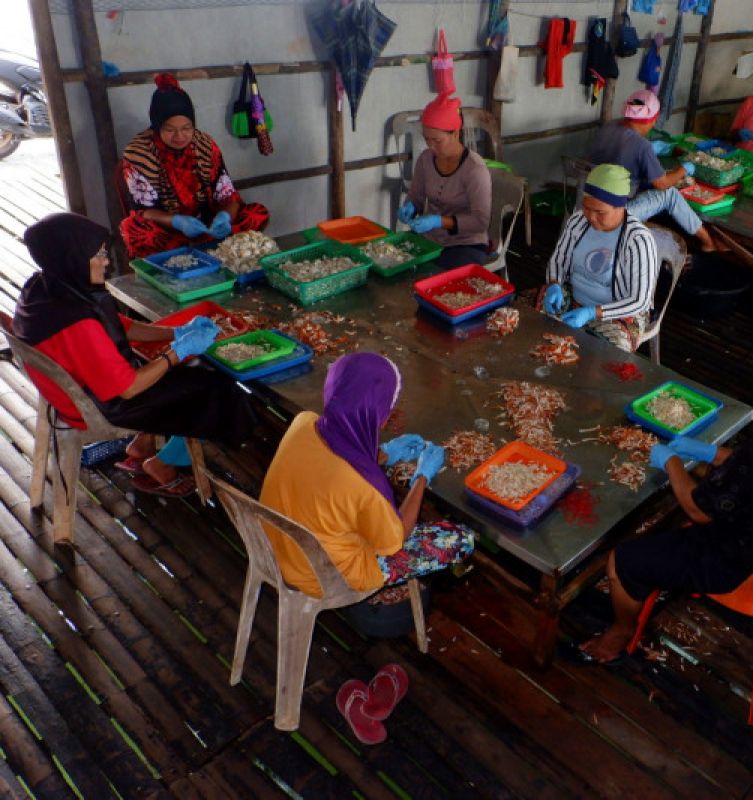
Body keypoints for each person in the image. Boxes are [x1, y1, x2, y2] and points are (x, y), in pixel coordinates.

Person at [579, 331, 753, 663]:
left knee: (623, 560)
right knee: (693, 498)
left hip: (745, 564)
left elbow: (698, 510)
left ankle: (621, 630)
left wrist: (670, 461)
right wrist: (709, 452)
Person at [13, 213, 257, 496]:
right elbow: (128, 388)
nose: (106, 261)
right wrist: (177, 352)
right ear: (74, 259)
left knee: (189, 369)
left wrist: (176, 332)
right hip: (99, 405)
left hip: (75, 387)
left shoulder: (47, 287)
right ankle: (164, 463)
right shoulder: (79, 324)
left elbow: (122, 326)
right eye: (98, 255)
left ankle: (141, 445)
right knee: (219, 388)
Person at [259, 352, 474, 603]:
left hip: (273, 548)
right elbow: (397, 538)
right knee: (460, 538)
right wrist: (422, 477)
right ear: (379, 415)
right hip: (324, 575)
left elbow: (331, 463)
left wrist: (382, 455)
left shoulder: (304, 423)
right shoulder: (363, 486)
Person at [119, 73, 269, 259]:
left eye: (186, 128)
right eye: (170, 130)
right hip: (168, 229)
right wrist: (176, 221)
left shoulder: (204, 145)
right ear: (157, 126)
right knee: (137, 231)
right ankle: (184, 256)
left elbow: (228, 196)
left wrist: (224, 218)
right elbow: (144, 212)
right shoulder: (140, 153)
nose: (180, 136)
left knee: (256, 214)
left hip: (208, 225)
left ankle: (214, 249)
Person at [543, 165, 659, 353]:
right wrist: (554, 284)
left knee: (606, 354)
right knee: (530, 317)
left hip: (619, 313)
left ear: (620, 207)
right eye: (587, 207)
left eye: (600, 212)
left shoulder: (638, 240)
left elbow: (640, 301)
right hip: (574, 297)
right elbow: (559, 260)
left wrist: (593, 312)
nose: (591, 217)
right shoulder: (578, 221)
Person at [588, 89, 719, 252]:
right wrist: (683, 169)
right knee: (669, 194)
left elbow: (620, 155)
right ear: (652, 119)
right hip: (616, 213)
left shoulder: (609, 127)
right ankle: (708, 241)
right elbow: (662, 184)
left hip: (590, 203)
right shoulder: (641, 146)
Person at [398, 93, 493, 269]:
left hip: (465, 244)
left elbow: (480, 222)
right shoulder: (426, 160)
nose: (431, 146)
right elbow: (416, 197)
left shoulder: (474, 169)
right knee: (399, 265)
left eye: (437, 140)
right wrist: (409, 208)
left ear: (456, 133)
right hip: (431, 238)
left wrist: (439, 221)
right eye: (427, 139)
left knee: (442, 281)